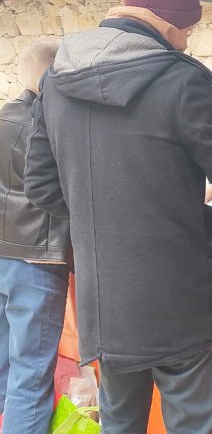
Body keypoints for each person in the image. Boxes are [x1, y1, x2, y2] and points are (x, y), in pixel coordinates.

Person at [24, 0, 212, 434]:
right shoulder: (181, 80)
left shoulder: (57, 81)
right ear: (164, 22)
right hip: (178, 297)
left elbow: (40, 185)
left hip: (105, 300)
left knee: (120, 423)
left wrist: (100, 219)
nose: (186, 39)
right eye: (186, 29)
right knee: (193, 422)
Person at [0, 41, 70, 434]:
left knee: (4, 364)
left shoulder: (2, 117)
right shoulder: (49, 128)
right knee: (31, 372)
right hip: (36, 260)